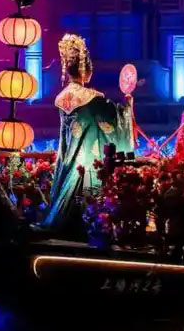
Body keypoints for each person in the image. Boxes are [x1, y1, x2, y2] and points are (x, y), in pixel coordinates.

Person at [43, 34, 134, 235]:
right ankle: (88, 225)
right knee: (88, 193)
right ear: (85, 69)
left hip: (67, 158)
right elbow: (112, 120)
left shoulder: (60, 97)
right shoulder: (92, 98)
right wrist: (127, 107)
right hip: (87, 159)